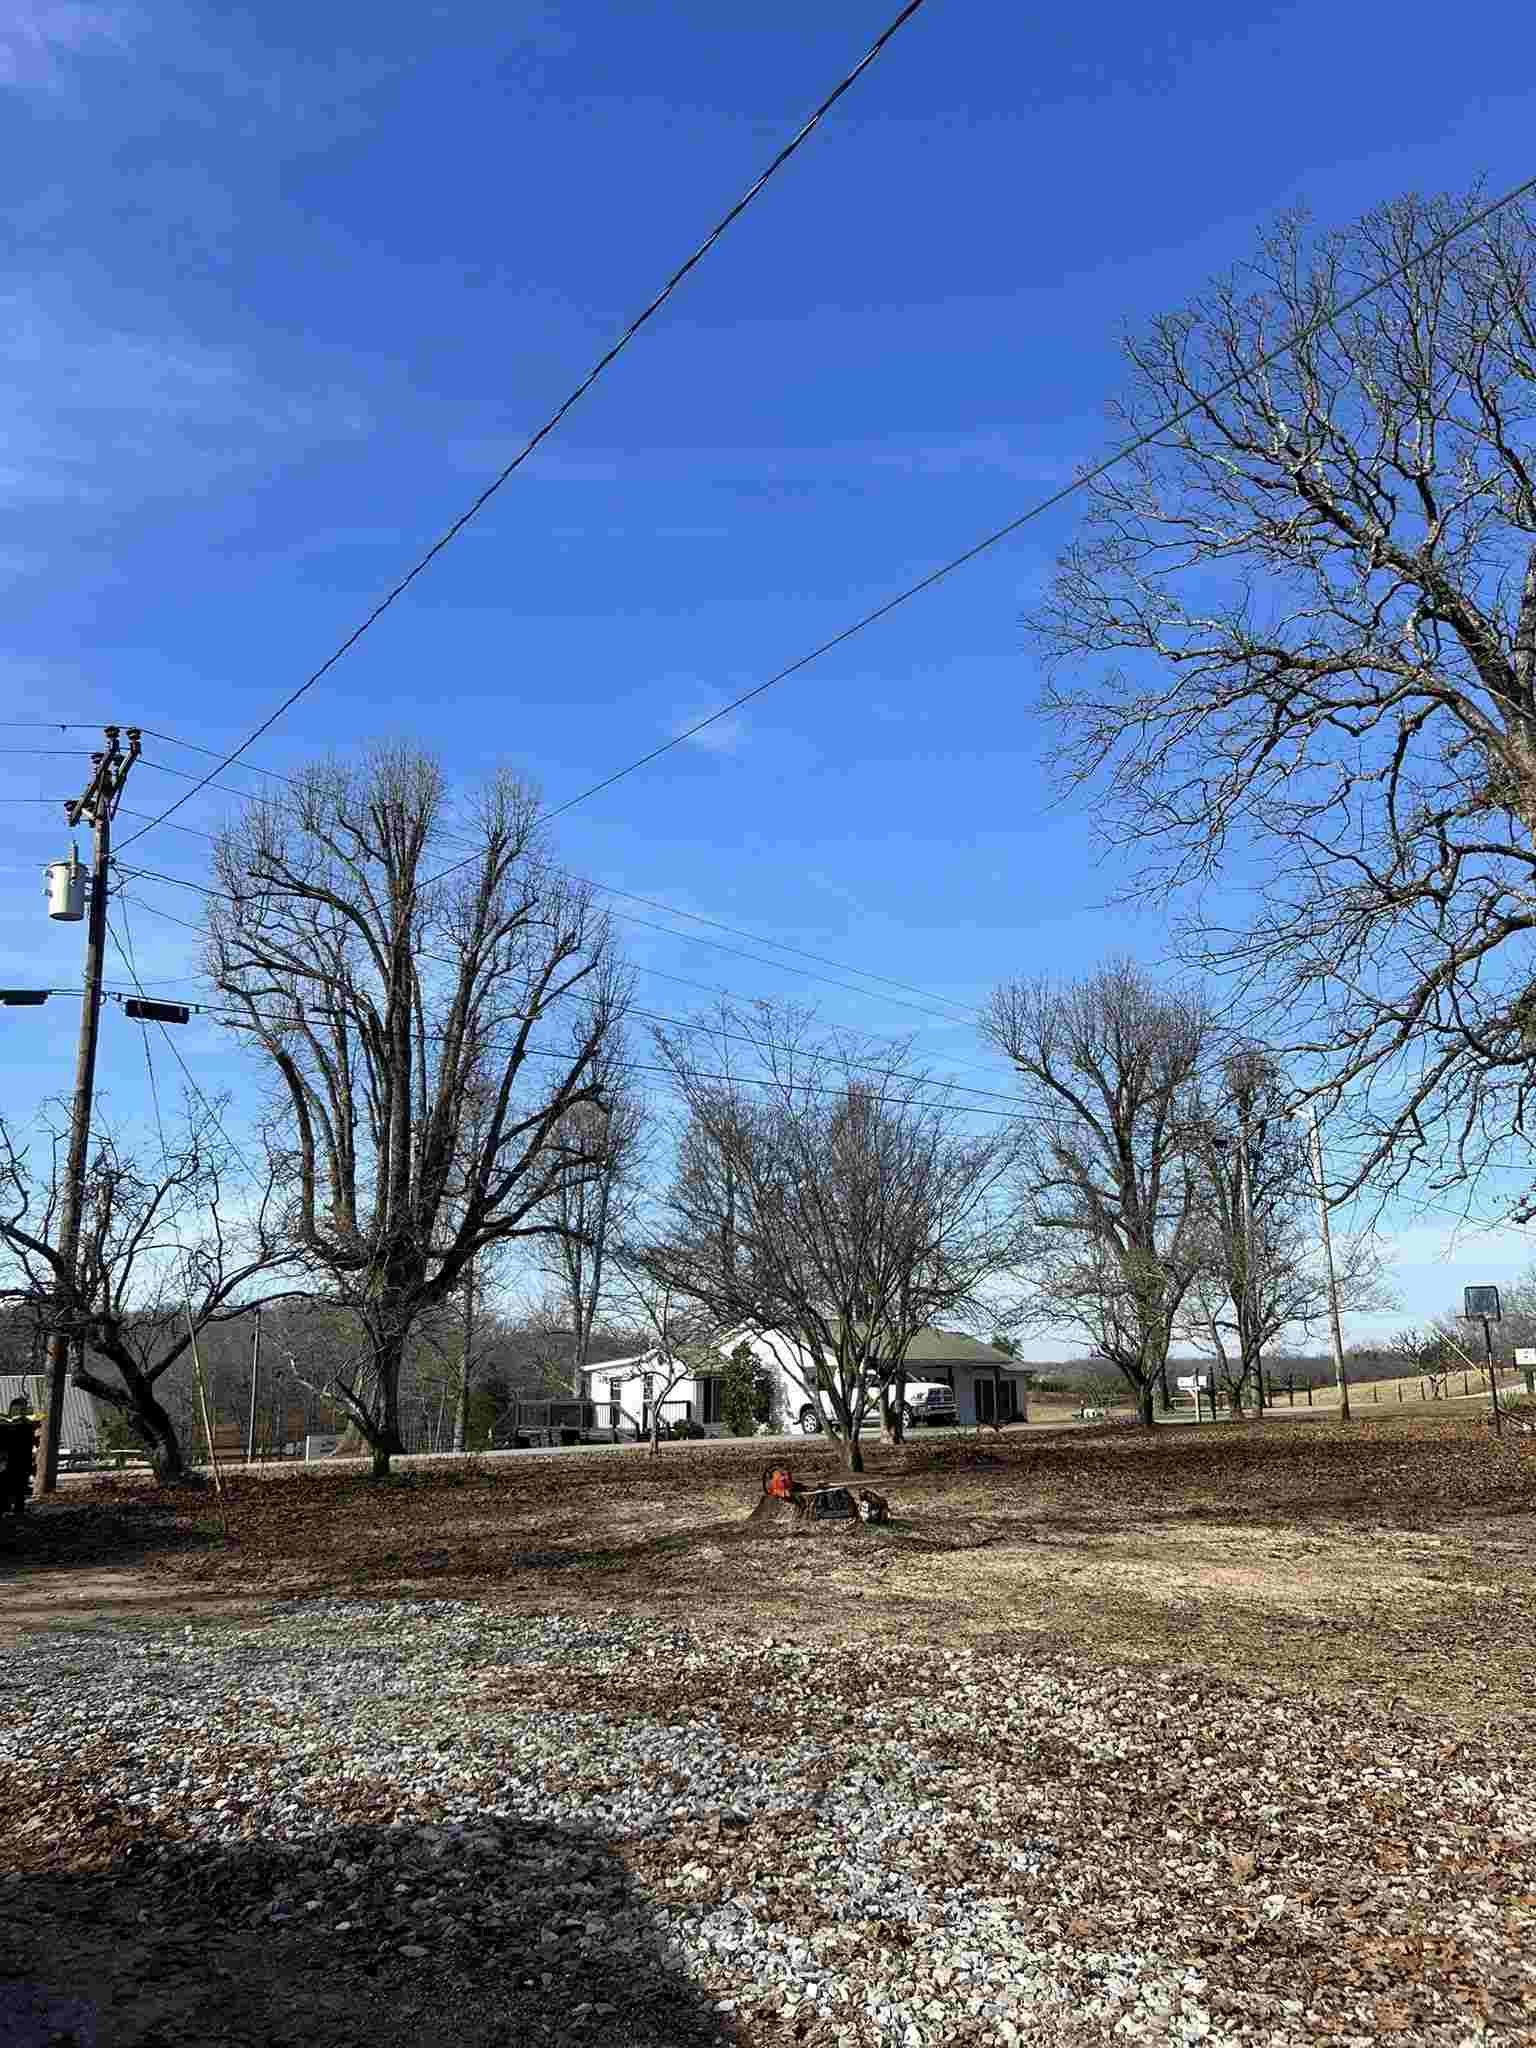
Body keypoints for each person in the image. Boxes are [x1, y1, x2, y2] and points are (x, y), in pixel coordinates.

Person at [2, 1392, 41, 1515]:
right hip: (13, 1460)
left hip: (20, 1459)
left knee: (17, 1486)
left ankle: (15, 1508)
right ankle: (12, 1508)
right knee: (12, 1485)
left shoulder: (25, 1425)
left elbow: (33, 1441)